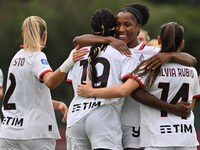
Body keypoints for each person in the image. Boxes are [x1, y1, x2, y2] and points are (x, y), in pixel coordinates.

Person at [73, 3, 196, 150]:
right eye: (117, 25)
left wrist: (170, 55)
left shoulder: (151, 53)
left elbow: (191, 60)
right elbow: (77, 40)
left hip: (135, 122)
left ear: (139, 27)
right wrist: (109, 40)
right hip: (109, 118)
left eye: (127, 25)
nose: (121, 29)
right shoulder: (109, 48)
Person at [0, 16, 88, 150]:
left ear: (23, 35)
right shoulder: (37, 56)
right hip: (35, 133)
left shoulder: (16, 57)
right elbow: (50, 82)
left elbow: (24, 99)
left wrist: (57, 104)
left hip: (8, 133)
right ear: (44, 36)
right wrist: (69, 62)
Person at [66, 8, 139, 150]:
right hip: (103, 114)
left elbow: (73, 89)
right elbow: (125, 89)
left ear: (92, 28)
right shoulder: (124, 52)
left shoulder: (77, 52)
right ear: (114, 27)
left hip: (75, 115)